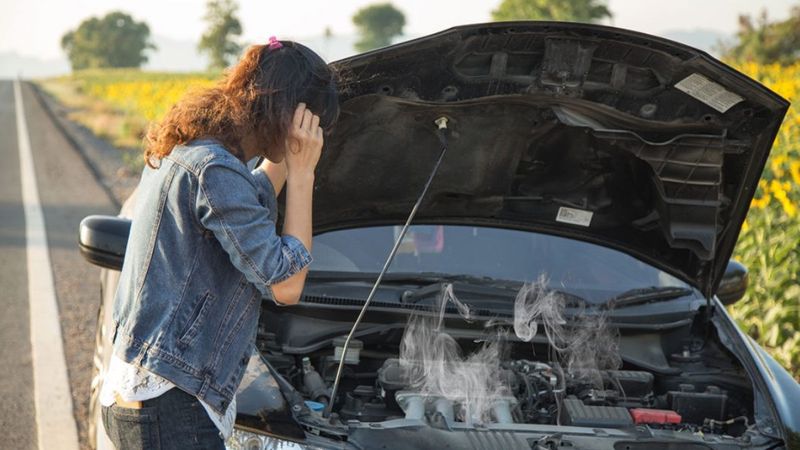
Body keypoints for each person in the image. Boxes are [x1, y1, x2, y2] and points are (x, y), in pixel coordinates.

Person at [99, 37, 339, 449]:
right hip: (170, 406)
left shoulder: (196, 150)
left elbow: (248, 201)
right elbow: (286, 285)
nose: (312, 135)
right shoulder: (215, 169)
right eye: (309, 121)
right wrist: (302, 174)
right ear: (287, 111)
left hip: (148, 396)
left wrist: (287, 159)